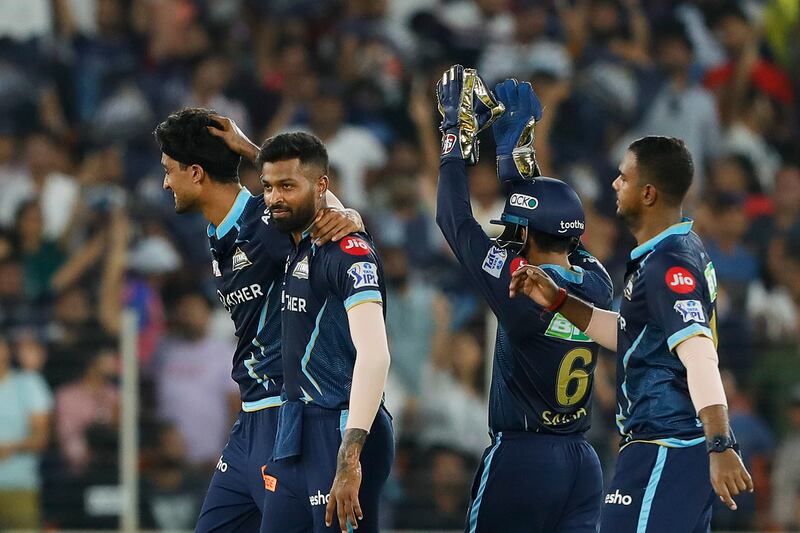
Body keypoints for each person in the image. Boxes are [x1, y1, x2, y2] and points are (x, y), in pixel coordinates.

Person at [510, 135, 754, 532]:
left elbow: (700, 354)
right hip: (670, 447)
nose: (614, 185)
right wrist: (560, 301)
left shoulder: (668, 266)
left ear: (648, 193)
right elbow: (631, 333)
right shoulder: (677, 247)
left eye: (623, 177)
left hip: (666, 445)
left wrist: (720, 443)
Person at [154, 108, 363, 532]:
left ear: (196, 173)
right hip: (248, 422)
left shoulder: (268, 223)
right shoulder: (219, 233)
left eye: (169, 170)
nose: (164, 182)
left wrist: (350, 218)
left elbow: (332, 221)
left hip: (287, 418)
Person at [435, 66, 614, 532]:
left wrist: (453, 133)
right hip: (582, 461)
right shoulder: (596, 279)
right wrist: (516, 160)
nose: (510, 235)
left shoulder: (518, 286)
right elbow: (549, 226)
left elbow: (454, 220)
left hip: (523, 456)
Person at [256, 131, 393, 533]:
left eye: (287, 187)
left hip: (342, 427)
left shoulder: (348, 252)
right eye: (268, 187)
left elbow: (376, 355)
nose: (274, 198)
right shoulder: (295, 239)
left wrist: (350, 458)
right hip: (295, 424)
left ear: (320, 187)